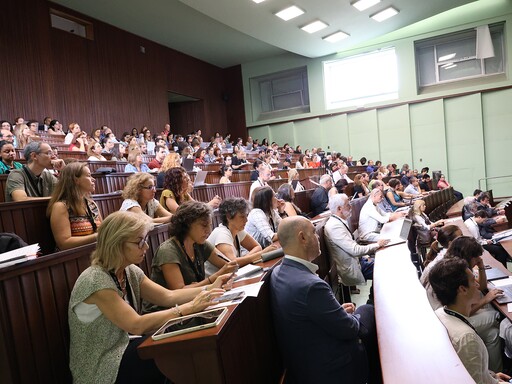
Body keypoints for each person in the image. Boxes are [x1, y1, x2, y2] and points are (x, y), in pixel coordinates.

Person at [68, 211, 226, 384]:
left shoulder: (129, 271)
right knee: (169, 356)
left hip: (123, 348)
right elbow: (136, 324)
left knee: (174, 351)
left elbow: (168, 296)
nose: (146, 247)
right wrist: (189, 308)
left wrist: (210, 287)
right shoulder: (95, 280)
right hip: (101, 365)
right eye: (139, 242)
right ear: (116, 243)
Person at [270, 216, 379, 384]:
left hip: (304, 360)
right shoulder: (311, 286)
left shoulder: (278, 273)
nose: (318, 237)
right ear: (302, 238)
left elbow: (307, 315)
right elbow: (349, 329)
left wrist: (336, 311)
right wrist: (350, 317)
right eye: (314, 233)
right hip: (329, 367)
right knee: (370, 312)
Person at [429, 257, 510, 383]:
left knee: (492, 333)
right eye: (473, 280)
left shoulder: (440, 314)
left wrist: (492, 376)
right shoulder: (467, 337)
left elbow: (472, 371)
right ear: (462, 289)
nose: (478, 285)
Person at [145, 201, 237, 297]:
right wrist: (215, 278)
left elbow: (228, 264)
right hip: (165, 309)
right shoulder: (167, 251)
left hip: (194, 301)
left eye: (210, 225)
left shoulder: (201, 244)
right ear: (187, 225)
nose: (209, 231)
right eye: (204, 225)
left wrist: (228, 275)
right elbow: (180, 292)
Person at [325, 194, 388, 289]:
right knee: (386, 269)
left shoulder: (338, 221)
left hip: (360, 260)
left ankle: (374, 297)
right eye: (347, 205)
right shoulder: (334, 226)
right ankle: (373, 300)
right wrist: (377, 245)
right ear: (339, 209)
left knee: (385, 263)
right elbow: (354, 250)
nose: (350, 207)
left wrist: (366, 256)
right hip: (354, 266)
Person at [205, 198, 276, 276]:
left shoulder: (237, 230)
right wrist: (262, 253)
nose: (246, 220)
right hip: (214, 282)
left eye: (246, 216)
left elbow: (257, 247)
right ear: (229, 217)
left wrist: (246, 258)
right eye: (242, 217)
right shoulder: (222, 234)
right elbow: (233, 263)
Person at [47, 162, 102, 251]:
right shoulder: (61, 207)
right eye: (88, 176)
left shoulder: (92, 204)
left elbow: (102, 231)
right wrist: (97, 237)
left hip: (95, 253)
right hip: (73, 260)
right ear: (76, 180)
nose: (93, 179)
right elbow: (64, 244)